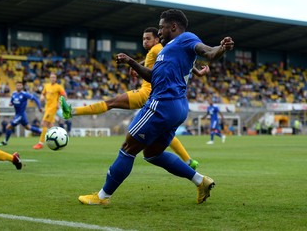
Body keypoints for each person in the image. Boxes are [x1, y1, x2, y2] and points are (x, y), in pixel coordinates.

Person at [77, 9, 234, 205]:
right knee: (152, 154)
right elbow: (153, 77)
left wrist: (221, 48)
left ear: (173, 26)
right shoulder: (167, 50)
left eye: (161, 27)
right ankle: (200, 181)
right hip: (176, 107)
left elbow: (209, 52)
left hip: (161, 104)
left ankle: (102, 197)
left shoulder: (186, 38)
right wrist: (131, 62)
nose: (159, 31)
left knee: (127, 149)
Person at [61, 27, 208, 169]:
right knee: (163, 132)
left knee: (111, 103)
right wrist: (139, 65)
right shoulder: (154, 51)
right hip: (154, 95)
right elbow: (165, 61)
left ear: (157, 39)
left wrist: (196, 71)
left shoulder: (158, 49)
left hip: (148, 93)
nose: (145, 41)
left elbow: (178, 61)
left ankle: (72, 112)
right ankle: (188, 161)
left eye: (148, 38)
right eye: (143, 38)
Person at [0, 81, 43, 146]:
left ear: (22, 86)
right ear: (16, 86)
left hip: (21, 115)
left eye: (20, 85)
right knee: (28, 127)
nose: (19, 86)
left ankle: (5, 142)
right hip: (18, 114)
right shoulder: (13, 94)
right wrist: (11, 103)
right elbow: (12, 101)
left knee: (8, 127)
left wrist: (39, 107)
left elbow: (35, 98)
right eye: (17, 85)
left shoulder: (24, 94)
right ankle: (42, 131)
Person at [32, 72, 67, 149]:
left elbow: (64, 96)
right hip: (47, 107)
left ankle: (40, 143)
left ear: (56, 78)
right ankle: (60, 139)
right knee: (50, 126)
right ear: (49, 78)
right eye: (51, 77)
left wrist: (59, 103)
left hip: (53, 107)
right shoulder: (46, 86)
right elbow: (43, 93)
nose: (53, 79)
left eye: (54, 77)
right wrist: (41, 97)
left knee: (44, 123)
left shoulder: (58, 87)